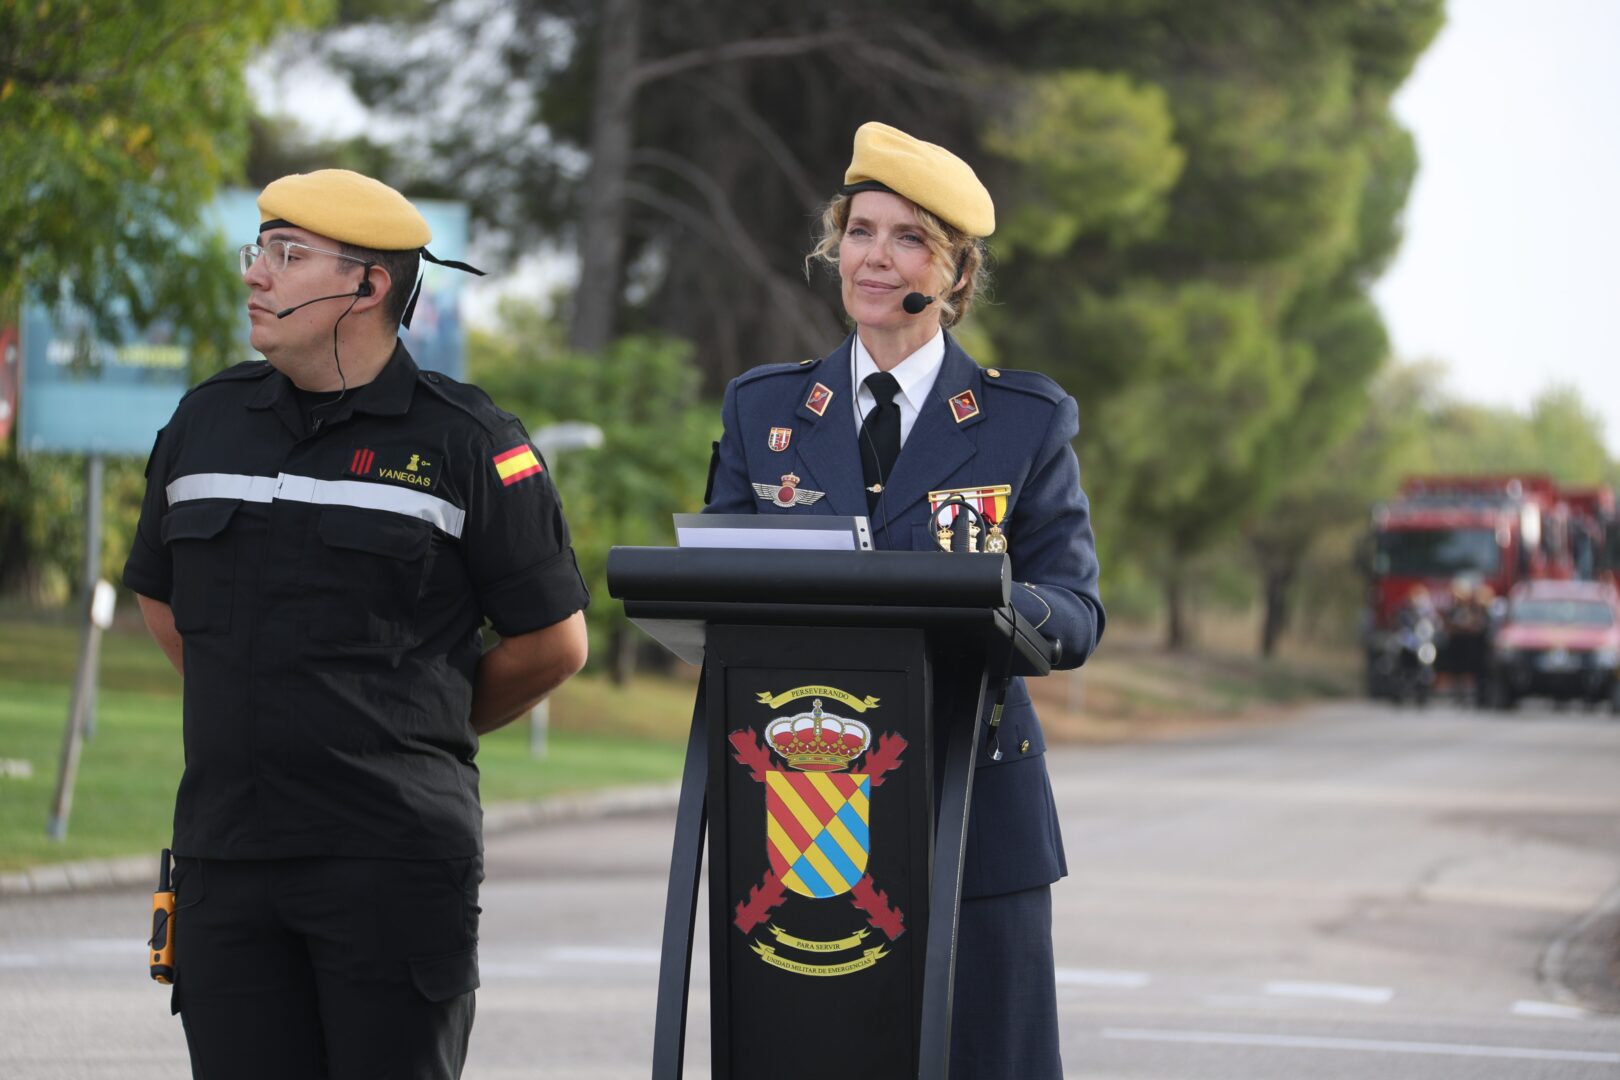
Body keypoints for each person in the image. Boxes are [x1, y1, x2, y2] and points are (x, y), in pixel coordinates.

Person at [122, 169, 590, 1080]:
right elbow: (164, 603)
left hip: (394, 863)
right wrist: (263, 702)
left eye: (288, 255)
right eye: (259, 250)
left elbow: (554, 643)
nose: (257, 274)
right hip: (230, 858)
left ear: (369, 286)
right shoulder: (204, 423)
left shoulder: (470, 441)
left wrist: (408, 724)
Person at [704, 122, 1104, 1078]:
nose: (875, 258)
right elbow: (718, 583)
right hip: (804, 815)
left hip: (976, 815)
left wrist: (994, 607)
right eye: (860, 231)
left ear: (955, 276)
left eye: (909, 239)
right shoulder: (765, 412)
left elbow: (1076, 609)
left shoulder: (1022, 423)